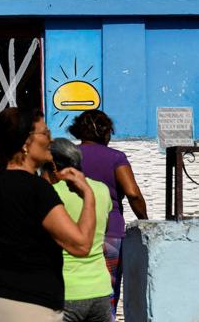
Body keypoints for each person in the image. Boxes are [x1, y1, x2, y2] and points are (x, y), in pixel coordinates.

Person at [0, 107, 96, 322]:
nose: (51, 140)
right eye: (45, 133)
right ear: (26, 142)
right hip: (27, 304)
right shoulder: (37, 190)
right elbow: (80, 245)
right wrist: (88, 195)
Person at [68, 110, 148, 318]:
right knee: (108, 291)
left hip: (72, 229)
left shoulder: (68, 157)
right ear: (106, 133)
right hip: (110, 233)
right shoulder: (115, 158)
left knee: (71, 285)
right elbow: (133, 194)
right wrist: (145, 221)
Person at [42, 138, 113, 322]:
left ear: (53, 166)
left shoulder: (50, 194)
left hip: (65, 291)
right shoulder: (101, 190)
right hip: (100, 288)